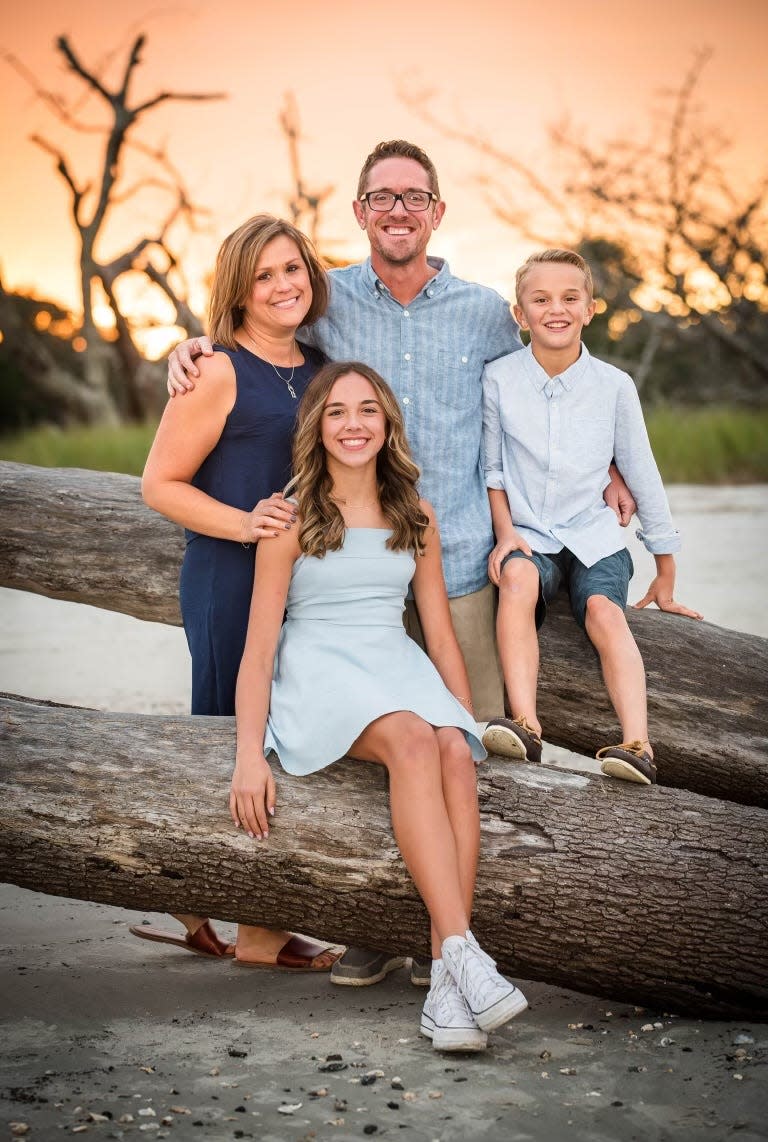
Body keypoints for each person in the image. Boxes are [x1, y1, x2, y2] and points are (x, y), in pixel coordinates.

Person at [166, 139, 636, 986]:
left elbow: (552, 374)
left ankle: (458, 935)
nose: (397, 212)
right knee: (342, 753)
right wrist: (191, 348)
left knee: (463, 749)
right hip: (323, 568)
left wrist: (603, 461)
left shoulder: (490, 310)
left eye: (414, 198)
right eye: (380, 198)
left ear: (437, 211)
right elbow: (245, 327)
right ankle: (374, 929)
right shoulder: (327, 300)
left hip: (452, 561)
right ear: (359, 213)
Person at [231, 359, 528, 1052]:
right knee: (414, 742)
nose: (353, 423)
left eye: (367, 409)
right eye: (336, 411)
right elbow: (259, 649)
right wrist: (250, 752)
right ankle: (462, 953)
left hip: (395, 660)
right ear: (317, 427)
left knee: (452, 746)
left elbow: (439, 630)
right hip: (320, 665)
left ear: (387, 422)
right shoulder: (290, 516)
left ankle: (450, 990)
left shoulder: (413, 513)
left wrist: (466, 715)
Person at [136, 214, 341, 971]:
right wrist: (245, 524)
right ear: (239, 291)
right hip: (228, 577)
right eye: (265, 276)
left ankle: (202, 899)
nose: (284, 285)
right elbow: (160, 485)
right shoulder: (215, 368)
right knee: (230, 740)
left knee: (284, 740)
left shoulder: (322, 369)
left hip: (302, 585)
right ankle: (257, 931)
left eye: (293, 269)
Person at [480, 249, 703, 783]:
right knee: (515, 579)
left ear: (591, 308)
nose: (555, 309)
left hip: (595, 535)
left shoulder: (615, 386)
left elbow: (642, 471)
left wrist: (665, 568)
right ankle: (526, 726)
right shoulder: (499, 379)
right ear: (520, 313)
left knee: (605, 611)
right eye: (540, 299)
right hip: (530, 532)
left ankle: (638, 745)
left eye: (569, 298)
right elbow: (493, 469)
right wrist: (505, 533)